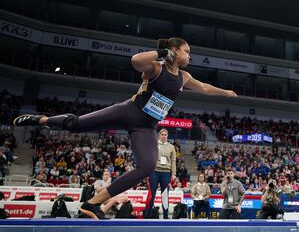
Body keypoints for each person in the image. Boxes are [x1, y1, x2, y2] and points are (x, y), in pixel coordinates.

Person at [13, 37, 237, 219]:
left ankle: (92, 203)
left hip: (147, 126)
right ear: (174, 51)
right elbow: (136, 60)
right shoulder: (156, 68)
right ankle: (42, 120)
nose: (190, 55)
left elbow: (204, 87)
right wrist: (162, 54)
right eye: (186, 51)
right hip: (129, 111)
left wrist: (225, 92)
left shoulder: (184, 77)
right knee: (76, 125)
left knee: (147, 167)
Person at [145, 128, 176, 219]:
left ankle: (165, 217)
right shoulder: (154, 144)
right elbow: (149, 157)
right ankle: (148, 215)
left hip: (166, 173)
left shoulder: (171, 147)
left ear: (167, 136)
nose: (164, 136)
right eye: (162, 134)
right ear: (159, 135)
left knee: (165, 195)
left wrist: (173, 173)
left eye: (165, 135)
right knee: (152, 194)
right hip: (154, 172)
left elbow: (173, 161)